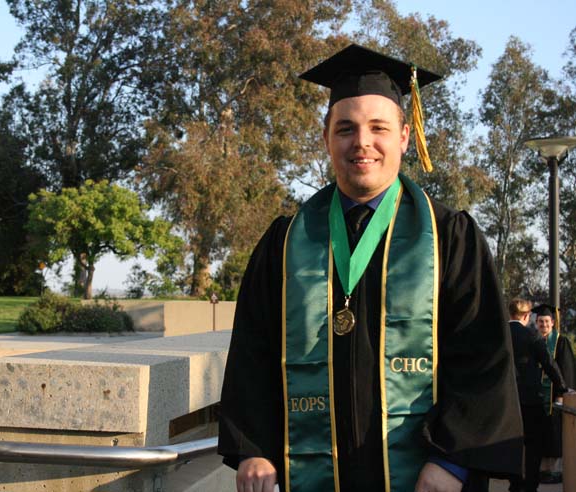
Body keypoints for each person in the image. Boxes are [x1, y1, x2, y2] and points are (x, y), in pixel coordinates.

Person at [218, 43, 523, 492]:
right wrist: (255, 449)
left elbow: (483, 357)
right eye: (345, 128)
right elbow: (252, 354)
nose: (362, 142)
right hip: (309, 474)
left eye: (378, 127)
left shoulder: (448, 237)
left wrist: (453, 463)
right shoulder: (285, 242)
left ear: (404, 136)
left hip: (426, 478)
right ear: (326, 139)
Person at [508, 299, 567, 492]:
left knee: (511, 443)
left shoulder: (499, 335)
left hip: (506, 401)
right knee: (533, 447)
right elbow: (549, 364)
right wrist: (563, 387)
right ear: (527, 316)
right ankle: (530, 485)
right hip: (530, 402)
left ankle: (514, 483)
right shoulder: (532, 336)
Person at [532, 303, 575, 484]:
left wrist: (560, 394)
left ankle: (555, 469)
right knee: (538, 432)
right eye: (541, 322)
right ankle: (540, 469)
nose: (544, 325)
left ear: (553, 322)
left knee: (554, 432)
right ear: (536, 323)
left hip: (553, 397)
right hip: (535, 396)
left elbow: (566, 369)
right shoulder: (532, 340)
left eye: (547, 321)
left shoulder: (560, 342)